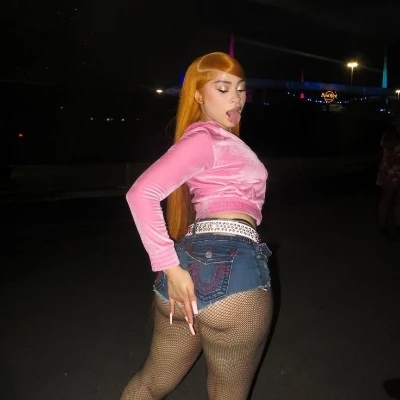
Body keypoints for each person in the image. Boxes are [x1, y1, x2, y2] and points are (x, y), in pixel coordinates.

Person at [121, 52, 273, 400]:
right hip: (229, 265)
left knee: (149, 384)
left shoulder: (214, 139)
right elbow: (141, 194)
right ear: (198, 95)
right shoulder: (206, 138)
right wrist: (168, 267)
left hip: (190, 261)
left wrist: (174, 270)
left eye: (241, 89)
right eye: (223, 88)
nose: (236, 98)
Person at [376, 113, 400, 240]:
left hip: (398, 172)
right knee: (387, 199)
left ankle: (398, 225)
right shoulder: (390, 133)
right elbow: (385, 144)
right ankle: (383, 226)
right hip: (389, 172)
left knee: (398, 201)